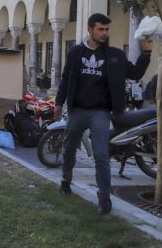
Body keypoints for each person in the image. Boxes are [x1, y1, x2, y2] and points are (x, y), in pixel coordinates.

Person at [54, 13, 152, 215]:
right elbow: (65, 80)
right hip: (78, 110)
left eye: (107, 29)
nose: (104, 33)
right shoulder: (75, 53)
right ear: (90, 30)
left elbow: (135, 74)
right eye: (100, 29)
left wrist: (146, 53)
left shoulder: (115, 55)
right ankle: (65, 180)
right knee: (68, 148)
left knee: (101, 154)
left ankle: (104, 199)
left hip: (101, 112)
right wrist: (58, 103)